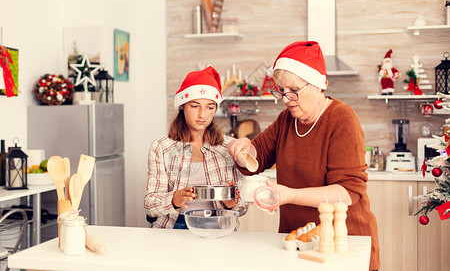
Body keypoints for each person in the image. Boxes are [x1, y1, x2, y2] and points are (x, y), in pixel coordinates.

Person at [227, 41, 380, 270]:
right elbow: (255, 159)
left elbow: (347, 192)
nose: (286, 99)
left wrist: (289, 195)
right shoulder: (286, 120)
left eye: (294, 90)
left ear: (319, 85)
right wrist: (243, 149)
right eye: (280, 90)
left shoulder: (342, 119)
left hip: (341, 243)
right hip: (296, 243)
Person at [144, 66, 247, 229]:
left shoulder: (229, 147)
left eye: (210, 107)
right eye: (194, 106)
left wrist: (231, 204)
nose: (202, 114)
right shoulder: (161, 147)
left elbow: (243, 207)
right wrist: (174, 199)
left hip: (219, 225)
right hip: (175, 225)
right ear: (182, 105)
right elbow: (150, 205)